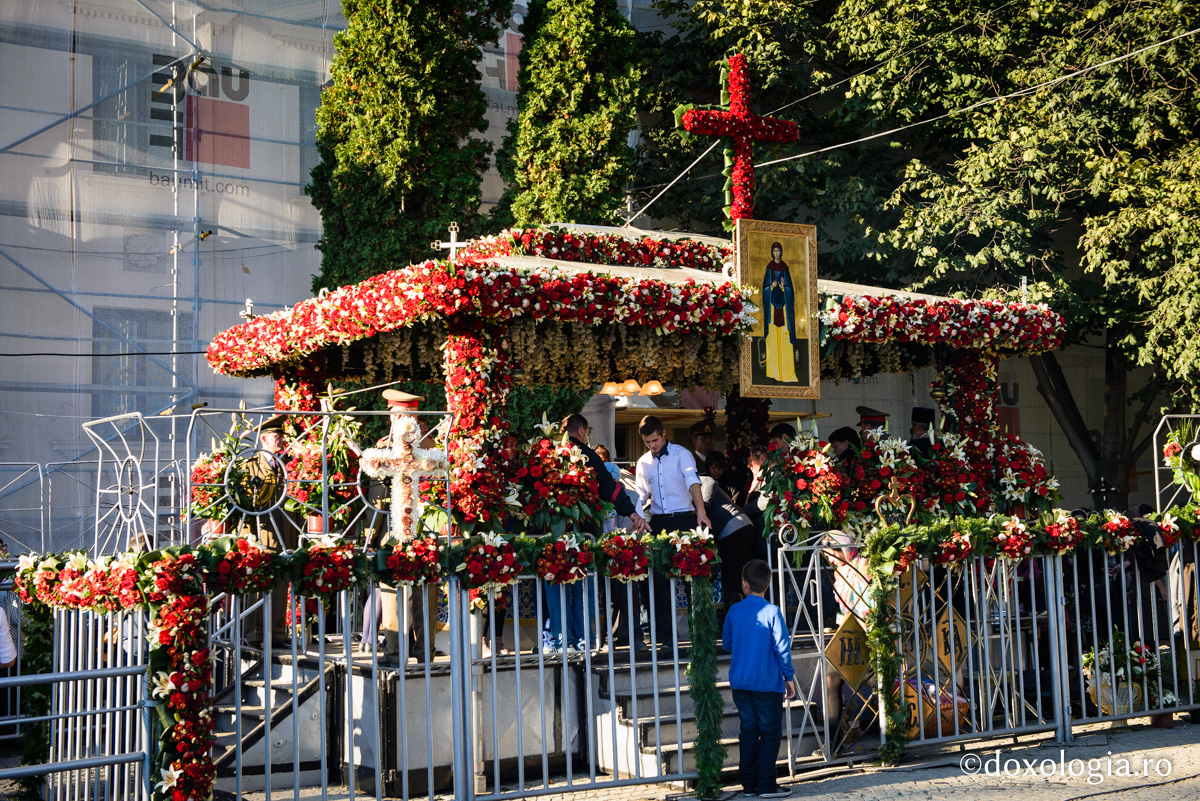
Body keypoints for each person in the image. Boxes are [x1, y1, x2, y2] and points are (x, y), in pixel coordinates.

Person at [360, 389, 443, 663]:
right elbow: (377, 496)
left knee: (423, 591)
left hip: (423, 526)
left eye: (409, 416)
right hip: (394, 528)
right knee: (393, 590)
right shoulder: (385, 446)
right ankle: (403, 650)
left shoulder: (429, 447)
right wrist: (373, 535)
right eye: (399, 416)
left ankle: (415, 650)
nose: (403, 421)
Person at [634, 415, 711, 655]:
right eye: (647, 442)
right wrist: (636, 519)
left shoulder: (681, 454)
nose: (652, 446)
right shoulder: (643, 462)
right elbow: (640, 495)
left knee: (693, 578)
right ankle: (668, 637)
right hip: (658, 523)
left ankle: (700, 635)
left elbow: (693, 483)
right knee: (659, 582)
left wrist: (701, 512)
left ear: (663, 433)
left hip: (685, 518)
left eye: (655, 440)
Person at [723, 559, 796, 798]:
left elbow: (727, 643)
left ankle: (749, 785)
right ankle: (767, 785)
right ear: (767, 584)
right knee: (770, 732)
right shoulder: (773, 612)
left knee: (748, 732)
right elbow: (782, 648)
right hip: (767, 684)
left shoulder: (734, 610)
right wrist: (789, 677)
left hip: (741, 684)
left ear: (744, 583)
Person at [699, 473, 756, 625]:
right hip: (739, 527)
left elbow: (710, 481)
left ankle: (733, 625)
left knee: (731, 579)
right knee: (736, 578)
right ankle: (738, 622)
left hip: (734, 527)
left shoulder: (698, 480)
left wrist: (701, 507)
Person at [760, 242, 800, 383]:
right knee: (772, 338)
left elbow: (790, 289)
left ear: (781, 252)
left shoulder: (785, 268)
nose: (776, 253)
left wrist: (784, 288)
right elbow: (764, 289)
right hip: (772, 310)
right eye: (774, 251)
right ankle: (773, 372)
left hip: (783, 309)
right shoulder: (769, 268)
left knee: (785, 339)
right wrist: (770, 287)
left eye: (778, 251)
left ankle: (787, 373)